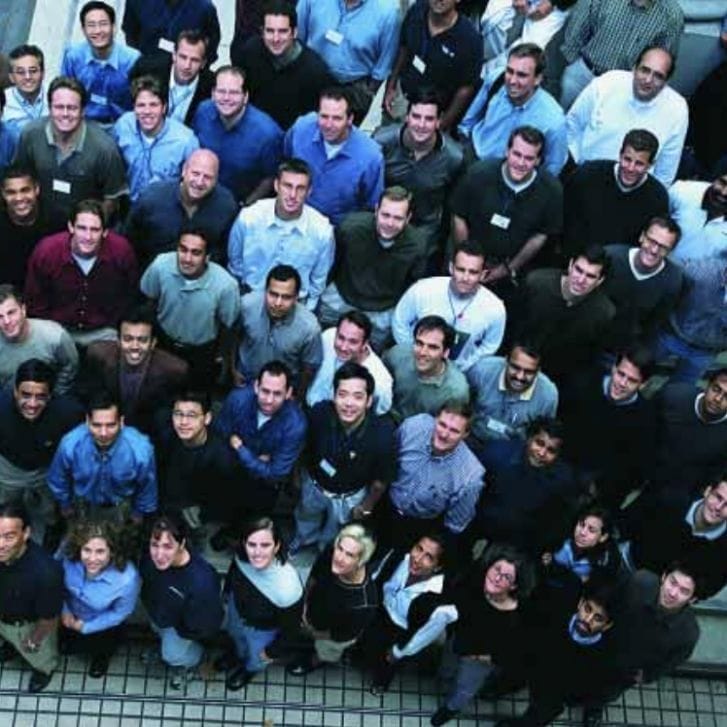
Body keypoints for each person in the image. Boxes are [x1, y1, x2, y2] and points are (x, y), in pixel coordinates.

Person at [495, 573, 627, 727]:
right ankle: (505, 686)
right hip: (532, 663)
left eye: (598, 618)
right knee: (515, 674)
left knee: (535, 718)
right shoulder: (558, 608)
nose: (587, 619)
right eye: (587, 609)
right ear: (580, 603)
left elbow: (593, 688)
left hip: (555, 693)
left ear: (607, 625)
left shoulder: (606, 654)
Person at [291, 363, 397, 551]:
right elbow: (303, 447)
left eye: (358, 397)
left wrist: (366, 507)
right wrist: (297, 476)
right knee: (306, 516)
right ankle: (303, 539)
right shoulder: (320, 413)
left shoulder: (382, 435)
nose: (348, 403)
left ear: (369, 400)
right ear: (334, 395)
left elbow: (381, 481)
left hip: (349, 496)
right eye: (342, 394)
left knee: (335, 533)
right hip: (315, 484)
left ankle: (326, 552)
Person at [451, 126, 563, 300]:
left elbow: (540, 235)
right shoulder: (479, 174)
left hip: (508, 268)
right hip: (467, 259)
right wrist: (466, 260)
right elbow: (459, 216)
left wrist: (509, 268)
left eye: (529, 158)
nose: (520, 163)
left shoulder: (551, 191)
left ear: (539, 160)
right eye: (516, 154)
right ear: (507, 151)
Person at [431, 544, 536, 726]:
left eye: (507, 577)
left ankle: (449, 709)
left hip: (478, 660)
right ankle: (445, 682)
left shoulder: (516, 617)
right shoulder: (475, 582)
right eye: (496, 569)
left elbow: (515, 651)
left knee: (465, 688)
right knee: (446, 669)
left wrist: (485, 657)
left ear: (514, 585)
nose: (497, 578)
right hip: (458, 641)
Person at [318, 186, 427, 351]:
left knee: (369, 354)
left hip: (382, 309)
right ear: (376, 210)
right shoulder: (350, 228)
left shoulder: (417, 245)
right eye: (385, 215)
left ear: (408, 218)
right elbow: (332, 262)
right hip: (342, 295)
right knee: (323, 344)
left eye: (398, 218)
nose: (390, 223)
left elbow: (412, 284)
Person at [211, 361, 307, 545]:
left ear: (288, 393)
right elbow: (221, 432)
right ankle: (230, 531)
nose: (269, 400)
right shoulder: (238, 399)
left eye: (277, 393)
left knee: (256, 514)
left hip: (264, 485)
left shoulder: (295, 424)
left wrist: (241, 448)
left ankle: (246, 538)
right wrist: (260, 460)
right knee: (228, 500)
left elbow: (276, 474)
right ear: (256, 386)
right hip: (233, 467)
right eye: (265, 391)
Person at [14, 76, 128, 228]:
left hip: (83, 230)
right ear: (50, 107)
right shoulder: (30, 134)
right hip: (40, 222)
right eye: (59, 107)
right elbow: (20, 178)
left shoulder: (104, 148)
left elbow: (112, 198)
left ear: (83, 111)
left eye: (72, 108)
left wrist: (87, 230)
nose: (65, 113)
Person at [566, 46, 688, 188]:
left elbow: (665, 172)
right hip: (583, 175)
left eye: (658, 76)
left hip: (632, 190)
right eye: (645, 70)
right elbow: (572, 125)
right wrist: (574, 165)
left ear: (667, 82)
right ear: (634, 68)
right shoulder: (607, 83)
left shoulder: (677, 110)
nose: (648, 80)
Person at [24, 199, 139, 348]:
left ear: (105, 232)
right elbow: (34, 301)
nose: (88, 237)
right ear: (70, 227)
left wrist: (115, 325)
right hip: (57, 328)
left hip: (103, 330)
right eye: (82, 228)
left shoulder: (121, 252)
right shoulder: (47, 252)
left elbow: (130, 295)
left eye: (95, 229)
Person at [227, 158, 335, 310]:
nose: (292, 194)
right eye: (287, 186)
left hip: (295, 306)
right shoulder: (249, 218)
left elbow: (318, 280)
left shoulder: (322, 231)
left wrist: (306, 311)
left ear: (309, 191)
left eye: (300, 188)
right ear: (276, 185)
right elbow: (235, 264)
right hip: (252, 298)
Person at [140, 228, 241, 386]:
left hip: (202, 352)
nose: (187, 259)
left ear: (207, 257)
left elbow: (228, 326)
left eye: (196, 253)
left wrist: (224, 361)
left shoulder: (226, 286)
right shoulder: (160, 266)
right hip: (164, 343)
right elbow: (149, 300)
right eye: (183, 250)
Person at [373, 87, 465, 258]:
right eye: (416, 116)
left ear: (439, 121)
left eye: (429, 119)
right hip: (383, 220)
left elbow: (450, 204)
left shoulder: (454, 158)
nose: (421, 125)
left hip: (423, 228)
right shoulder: (382, 142)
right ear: (407, 117)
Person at [561, 347, 657, 510]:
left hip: (593, 484)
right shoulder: (583, 383)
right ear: (613, 368)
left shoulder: (645, 419)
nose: (622, 383)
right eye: (620, 374)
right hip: (560, 461)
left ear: (643, 384)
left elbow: (632, 470)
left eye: (632, 380)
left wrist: (598, 489)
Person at [0, 360, 84, 541]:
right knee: (6, 508)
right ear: (15, 391)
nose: (32, 404)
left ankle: (52, 530)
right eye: (26, 395)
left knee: (48, 509)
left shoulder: (68, 413)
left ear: (50, 396)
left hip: (46, 469)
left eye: (40, 396)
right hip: (9, 469)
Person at [382, 402, 484, 549]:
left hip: (417, 527)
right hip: (385, 504)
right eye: (442, 425)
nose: (444, 434)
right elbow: (388, 459)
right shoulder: (413, 427)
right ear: (435, 419)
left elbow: (454, 525)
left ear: (465, 435)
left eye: (454, 431)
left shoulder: (470, 476)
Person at [363, 533, 456, 694]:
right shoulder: (399, 556)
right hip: (380, 611)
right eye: (418, 549)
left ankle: (381, 682)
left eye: (429, 557)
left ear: (438, 567)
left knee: (388, 661)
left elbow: (423, 635)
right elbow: (378, 575)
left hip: (401, 630)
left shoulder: (437, 601)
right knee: (369, 642)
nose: (418, 559)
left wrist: (399, 652)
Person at [216, 517, 303, 690]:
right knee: (236, 637)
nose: (256, 552)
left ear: (277, 546)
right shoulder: (242, 554)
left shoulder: (287, 587)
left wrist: (272, 651)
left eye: (265, 545)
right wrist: (227, 591)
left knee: (257, 657)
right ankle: (238, 656)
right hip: (237, 611)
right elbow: (235, 569)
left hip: (262, 629)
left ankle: (249, 669)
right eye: (252, 544)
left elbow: (291, 628)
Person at [392, 242, 506, 372]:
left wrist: (463, 366)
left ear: (483, 275)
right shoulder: (422, 289)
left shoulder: (495, 308)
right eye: (460, 269)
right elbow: (400, 322)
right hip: (415, 363)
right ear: (451, 267)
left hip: (460, 371)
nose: (465, 277)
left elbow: (490, 346)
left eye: (473, 272)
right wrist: (416, 355)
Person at [47, 391, 158, 524]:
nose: (103, 433)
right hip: (82, 505)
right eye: (97, 425)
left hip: (122, 507)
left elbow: (147, 485)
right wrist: (65, 504)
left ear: (121, 422)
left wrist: (139, 512)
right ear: (87, 421)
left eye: (111, 425)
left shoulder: (140, 449)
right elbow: (58, 478)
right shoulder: (70, 444)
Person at [473, 417, 581, 554]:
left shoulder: (562, 481)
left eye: (551, 450)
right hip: (478, 524)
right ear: (529, 438)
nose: (542, 453)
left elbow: (557, 521)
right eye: (539, 443)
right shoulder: (498, 454)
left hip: (518, 543)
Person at [140, 513, 223, 689]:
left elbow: (205, 623)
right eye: (155, 545)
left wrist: (183, 634)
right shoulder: (149, 558)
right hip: (159, 614)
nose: (159, 554)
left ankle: (193, 659)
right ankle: (165, 649)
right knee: (161, 636)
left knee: (172, 654)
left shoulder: (201, 582)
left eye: (168, 547)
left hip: (182, 628)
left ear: (182, 544)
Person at [458, 43, 567, 176]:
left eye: (522, 75)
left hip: (508, 176)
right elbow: (469, 120)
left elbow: (553, 166)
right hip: (474, 155)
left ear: (537, 79)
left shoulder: (553, 120)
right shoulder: (496, 80)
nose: (512, 80)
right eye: (509, 71)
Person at [657, 173, 727, 382]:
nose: (725, 193)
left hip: (702, 308)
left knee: (681, 386)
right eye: (723, 182)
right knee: (641, 363)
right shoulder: (682, 192)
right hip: (660, 281)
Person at [81, 303, 189, 435]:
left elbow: (169, 412)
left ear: (153, 343)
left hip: (148, 430)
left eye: (142, 340)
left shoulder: (174, 370)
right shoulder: (98, 354)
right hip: (107, 425)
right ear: (118, 340)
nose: (134, 346)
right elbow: (89, 394)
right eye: (128, 339)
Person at [286, 524, 380, 676]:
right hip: (312, 611)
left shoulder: (364, 603)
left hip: (329, 635)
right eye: (340, 548)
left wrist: (314, 633)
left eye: (350, 555)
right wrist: (304, 605)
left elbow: (344, 635)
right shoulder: (331, 553)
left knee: (326, 651)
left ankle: (315, 662)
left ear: (361, 561)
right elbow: (314, 577)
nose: (339, 558)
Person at [283, 87, 384, 225]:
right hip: (291, 216)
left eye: (337, 118)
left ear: (350, 119)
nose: (328, 125)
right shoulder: (301, 128)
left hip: (335, 230)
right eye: (324, 116)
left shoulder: (370, 157)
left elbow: (370, 207)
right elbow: (285, 161)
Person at [517, 245, 615, 385]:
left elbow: (589, 357)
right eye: (578, 270)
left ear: (600, 280)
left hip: (559, 379)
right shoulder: (537, 283)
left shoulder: (603, 313)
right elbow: (513, 327)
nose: (580, 280)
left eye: (590, 276)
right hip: (517, 364)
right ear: (570, 265)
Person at [559, 0, 684, 109]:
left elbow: (662, 60)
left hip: (624, 87)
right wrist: (573, 64)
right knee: (564, 124)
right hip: (584, 74)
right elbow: (575, 32)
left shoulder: (671, 15)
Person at [125, 148, 238, 268]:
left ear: (216, 180)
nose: (199, 182)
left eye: (207, 177)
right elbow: (130, 242)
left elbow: (225, 251)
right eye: (195, 173)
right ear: (184, 171)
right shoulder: (152, 199)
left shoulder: (226, 206)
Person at [563, 129, 669, 256]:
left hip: (617, 269)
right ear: (620, 154)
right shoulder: (587, 174)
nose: (630, 168)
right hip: (572, 260)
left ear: (650, 165)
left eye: (639, 164)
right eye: (627, 159)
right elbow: (563, 214)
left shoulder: (658, 197)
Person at [58, 518, 141, 677]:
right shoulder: (67, 555)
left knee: (103, 645)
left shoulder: (127, 579)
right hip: (69, 613)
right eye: (87, 550)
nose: (92, 559)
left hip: (102, 624)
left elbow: (121, 613)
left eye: (100, 551)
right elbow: (54, 578)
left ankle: (101, 658)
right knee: (69, 638)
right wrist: (65, 609)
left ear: (112, 551)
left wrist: (88, 627)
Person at [621, 476, 727, 600]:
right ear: (707, 491)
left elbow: (709, 588)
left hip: (666, 598)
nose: (718, 507)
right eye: (718, 497)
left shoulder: (724, 548)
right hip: (627, 565)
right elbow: (630, 527)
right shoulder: (670, 501)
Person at [295, 0, 401, 124]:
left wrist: (367, 91)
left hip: (354, 90)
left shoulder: (387, 13)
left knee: (342, 139)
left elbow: (384, 64)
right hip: (312, 82)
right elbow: (297, 38)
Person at [384, 0, 483, 132]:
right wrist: (391, 86)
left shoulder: (470, 39)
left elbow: (466, 88)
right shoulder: (416, 11)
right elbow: (404, 48)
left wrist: (444, 122)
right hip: (403, 96)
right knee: (387, 141)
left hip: (433, 113)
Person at [235, 0, 335, 130]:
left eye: (282, 31)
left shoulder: (315, 72)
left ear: (294, 33)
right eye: (270, 31)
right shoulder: (250, 52)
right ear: (262, 32)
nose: (276, 38)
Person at [192, 66, 283, 205]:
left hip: (235, 204)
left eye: (234, 93)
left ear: (245, 96)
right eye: (221, 91)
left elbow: (270, 178)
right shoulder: (203, 111)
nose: (226, 98)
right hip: (197, 194)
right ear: (213, 93)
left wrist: (246, 205)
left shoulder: (268, 134)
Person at [0, 501, 63, 693]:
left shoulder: (45, 573)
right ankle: (12, 647)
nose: (0, 544)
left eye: (9, 537)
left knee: (40, 655)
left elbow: (49, 619)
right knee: (9, 639)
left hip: (29, 625)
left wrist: (34, 640)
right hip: (4, 617)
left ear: (26, 533)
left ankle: (44, 671)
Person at [609, 565, 700, 697]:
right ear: (663, 577)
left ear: (692, 599)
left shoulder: (688, 633)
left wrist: (647, 676)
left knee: (608, 692)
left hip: (626, 671)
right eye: (673, 582)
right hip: (604, 648)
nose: (673, 593)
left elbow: (672, 661)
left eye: (684, 591)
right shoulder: (639, 582)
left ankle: (594, 707)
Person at [235, 265, 323, 395]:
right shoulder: (246, 306)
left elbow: (309, 367)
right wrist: (233, 370)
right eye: (273, 294)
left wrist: (296, 395)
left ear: (296, 297)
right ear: (265, 290)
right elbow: (232, 336)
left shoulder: (309, 328)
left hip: (282, 387)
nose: (278, 303)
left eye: (286, 297)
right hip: (247, 375)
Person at [112, 74, 199, 202]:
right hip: (127, 204)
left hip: (164, 209)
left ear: (164, 108)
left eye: (153, 105)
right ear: (134, 108)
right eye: (141, 105)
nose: (147, 111)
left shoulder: (186, 141)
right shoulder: (123, 126)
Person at [466, 343, 558, 461]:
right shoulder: (482, 370)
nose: (520, 376)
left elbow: (542, 436)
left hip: (509, 453)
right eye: (515, 367)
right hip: (471, 437)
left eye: (529, 372)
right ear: (506, 361)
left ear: (538, 371)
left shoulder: (548, 395)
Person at [603, 216, 683, 351]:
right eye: (652, 241)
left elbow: (655, 323)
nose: (654, 250)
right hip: (589, 339)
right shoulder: (610, 257)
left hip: (622, 349)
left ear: (670, 251)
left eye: (663, 247)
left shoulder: (672, 279)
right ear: (641, 237)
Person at [156, 390, 238, 521]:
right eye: (178, 414)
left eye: (192, 416)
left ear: (207, 418)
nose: (183, 422)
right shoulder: (167, 438)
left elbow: (226, 505)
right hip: (168, 510)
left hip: (204, 518)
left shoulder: (222, 457)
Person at [60, 1, 141, 127]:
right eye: (91, 25)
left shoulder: (132, 60)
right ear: (83, 29)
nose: (97, 31)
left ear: (114, 27)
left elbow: (141, 101)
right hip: (80, 123)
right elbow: (65, 93)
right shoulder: (73, 56)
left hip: (119, 125)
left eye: (103, 24)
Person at [650, 369, 727, 497]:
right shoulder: (673, 396)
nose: (718, 399)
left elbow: (715, 472)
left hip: (678, 490)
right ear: (707, 385)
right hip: (647, 465)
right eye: (716, 389)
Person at [384, 315, 470, 423]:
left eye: (433, 347)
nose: (423, 352)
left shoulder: (456, 391)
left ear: (445, 352)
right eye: (419, 343)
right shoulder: (397, 355)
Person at [306, 312, 393, 415]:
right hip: (309, 408)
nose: (343, 347)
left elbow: (379, 413)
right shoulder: (328, 337)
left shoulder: (380, 382)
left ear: (365, 343)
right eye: (341, 338)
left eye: (353, 342)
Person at [0, 285, 79, 395]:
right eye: (0, 317)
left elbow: (70, 365)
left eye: (11, 313)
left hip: (46, 399)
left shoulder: (55, 336)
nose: (7, 321)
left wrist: (56, 394)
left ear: (23, 310)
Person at [130, 29, 215, 127]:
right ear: (174, 55)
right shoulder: (148, 70)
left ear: (203, 63)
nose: (187, 65)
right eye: (183, 57)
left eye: (194, 60)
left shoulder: (211, 85)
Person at [0, 165, 56, 289]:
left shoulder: (57, 221)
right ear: (3, 194)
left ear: (36, 189)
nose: (19, 198)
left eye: (25, 190)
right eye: (11, 192)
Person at [122, 0, 221, 65]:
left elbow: (211, 49)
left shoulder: (205, 8)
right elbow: (130, 35)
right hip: (146, 72)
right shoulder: (136, 2)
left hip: (187, 79)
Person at [3, 45, 48, 131]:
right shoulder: (3, 101)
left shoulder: (55, 95)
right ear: (11, 77)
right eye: (20, 72)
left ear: (43, 73)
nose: (27, 77)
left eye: (33, 71)